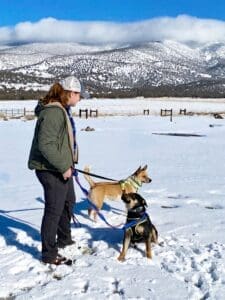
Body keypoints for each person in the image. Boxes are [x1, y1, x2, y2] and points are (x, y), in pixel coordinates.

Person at [28, 76, 81, 265]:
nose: (80, 98)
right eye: (79, 94)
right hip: (50, 169)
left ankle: (64, 239)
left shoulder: (63, 110)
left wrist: (69, 164)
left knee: (69, 201)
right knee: (53, 210)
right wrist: (62, 166)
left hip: (61, 167)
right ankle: (49, 254)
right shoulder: (53, 112)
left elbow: (62, 142)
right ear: (70, 93)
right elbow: (46, 144)